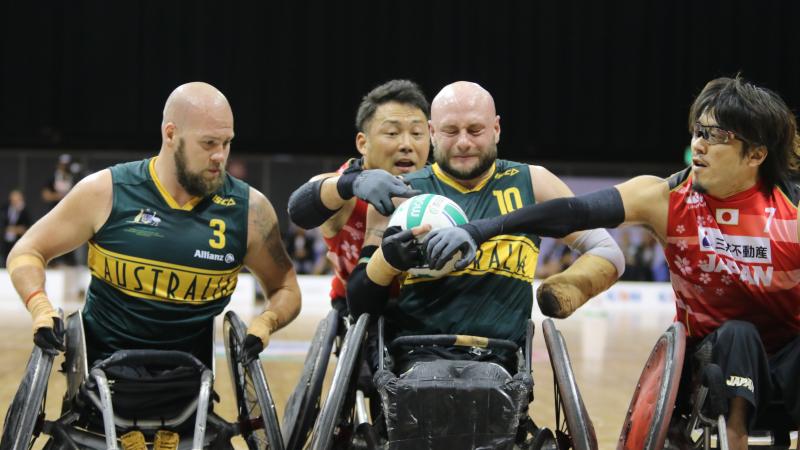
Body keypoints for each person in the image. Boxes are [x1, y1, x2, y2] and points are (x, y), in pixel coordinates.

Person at [426, 76, 800, 448]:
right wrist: (480, 230)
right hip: (711, 359)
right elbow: (573, 213)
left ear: (755, 154)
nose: (698, 144)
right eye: (698, 131)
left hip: (787, 360)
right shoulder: (665, 198)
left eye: (716, 136)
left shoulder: (792, 213)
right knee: (739, 334)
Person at [6, 81, 301, 371]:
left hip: (189, 377)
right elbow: (27, 251)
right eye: (208, 143)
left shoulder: (249, 210)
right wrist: (40, 307)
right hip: (99, 372)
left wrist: (267, 321)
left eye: (226, 143)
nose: (220, 156)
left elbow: (286, 286)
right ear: (171, 133)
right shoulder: (106, 191)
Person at [347, 81, 625, 373]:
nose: (463, 142)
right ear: (432, 133)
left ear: (496, 129)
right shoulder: (400, 193)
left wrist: (564, 289)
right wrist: (386, 262)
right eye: (450, 131)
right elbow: (360, 305)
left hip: (503, 364)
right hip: (416, 361)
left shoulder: (533, 182)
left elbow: (608, 251)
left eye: (475, 130)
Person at [287, 79, 430, 316]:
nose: (406, 144)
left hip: (423, 307)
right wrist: (350, 183)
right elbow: (299, 210)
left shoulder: (436, 185)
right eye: (392, 133)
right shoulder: (346, 189)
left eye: (417, 133)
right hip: (358, 306)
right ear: (363, 143)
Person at [1, 189, 31, 267]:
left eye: (18, 199)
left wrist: (17, 229)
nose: (16, 201)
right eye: (14, 199)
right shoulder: (4, 209)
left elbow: (27, 226)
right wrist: (8, 229)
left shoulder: (24, 211)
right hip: (4, 241)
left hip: (17, 241)